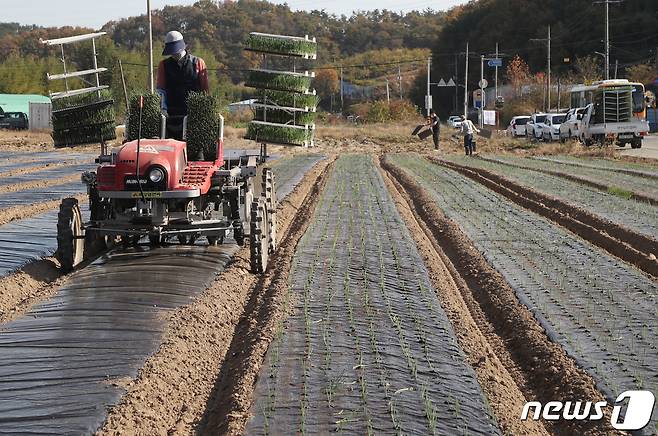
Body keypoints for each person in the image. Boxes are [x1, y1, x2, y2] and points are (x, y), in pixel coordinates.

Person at [156, 31, 209, 120]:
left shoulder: (198, 63)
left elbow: (205, 90)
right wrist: (163, 109)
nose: (173, 54)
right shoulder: (163, 65)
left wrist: (204, 109)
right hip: (170, 114)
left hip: (193, 114)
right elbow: (161, 90)